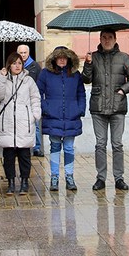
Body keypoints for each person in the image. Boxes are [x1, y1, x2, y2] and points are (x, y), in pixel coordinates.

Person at [82, 29, 129, 191]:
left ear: (115, 39)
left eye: (109, 38)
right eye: (104, 38)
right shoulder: (93, 57)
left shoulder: (124, 57)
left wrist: (123, 90)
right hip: (98, 107)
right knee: (100, 144)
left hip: (118, 107)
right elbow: (86, 80)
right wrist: (87, 64)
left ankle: (119, 178)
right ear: (100, 39)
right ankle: (100, 178)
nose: (107, 40)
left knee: (117, 144)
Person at [36, 46, 86, 192]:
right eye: (59, 57)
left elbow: (81, 94)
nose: (62, 60)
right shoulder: (45, 74)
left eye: (65, 57)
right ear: (54, 59)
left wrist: (80, 109)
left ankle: (69, 177)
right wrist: (45, 108)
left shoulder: (75, 75)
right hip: (53, 117)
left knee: (69, 147)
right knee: (55, 146)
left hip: (72, 116)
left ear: (69, 59)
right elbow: (37, 93)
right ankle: (54, 177)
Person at [0, 52, 42, 195]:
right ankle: (11, 182)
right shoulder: (3, 79)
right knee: (8, 156)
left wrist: (35, 115)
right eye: (14, 63)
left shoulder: (28, 81)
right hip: (7, 123)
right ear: (9, 64)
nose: (17, 66)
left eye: (20, 63)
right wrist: (1, 78)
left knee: (24, 156)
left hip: (23, 123)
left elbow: (35, 98)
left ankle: (25, 182)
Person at [18, 44, 43, 157]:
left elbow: (40, 84)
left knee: (35, 124)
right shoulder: (15, 65)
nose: (23, 55)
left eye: (25, 53)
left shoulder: (35, 66)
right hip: (19, 100)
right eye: (21, 53)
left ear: (28, 53)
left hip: (32, 100)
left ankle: (37, 148)